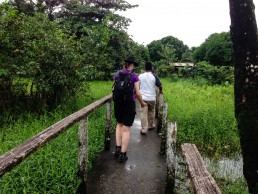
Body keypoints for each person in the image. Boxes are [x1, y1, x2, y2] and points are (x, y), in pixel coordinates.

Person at [112, 56, 146, 163]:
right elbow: (138, 92)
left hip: (118, 103)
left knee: (118, 125)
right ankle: (123, 154)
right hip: (129, 104)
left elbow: (113, 89)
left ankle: (117, 149)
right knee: (126, 129)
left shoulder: (117, 74)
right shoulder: (134, 76)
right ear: (131, 65)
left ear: (124, 64)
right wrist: (142, 103)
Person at [139, 61, 163, 135]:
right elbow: (160, 86)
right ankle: (150, 125)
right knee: (151, 111)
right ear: (151, 68)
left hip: (143, 97)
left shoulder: (140, 76)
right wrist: (160, 92)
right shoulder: (154, 76)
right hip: (152, 98)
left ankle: (144, 129)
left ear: (144, 68)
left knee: (143, 113)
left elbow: (137, 86)